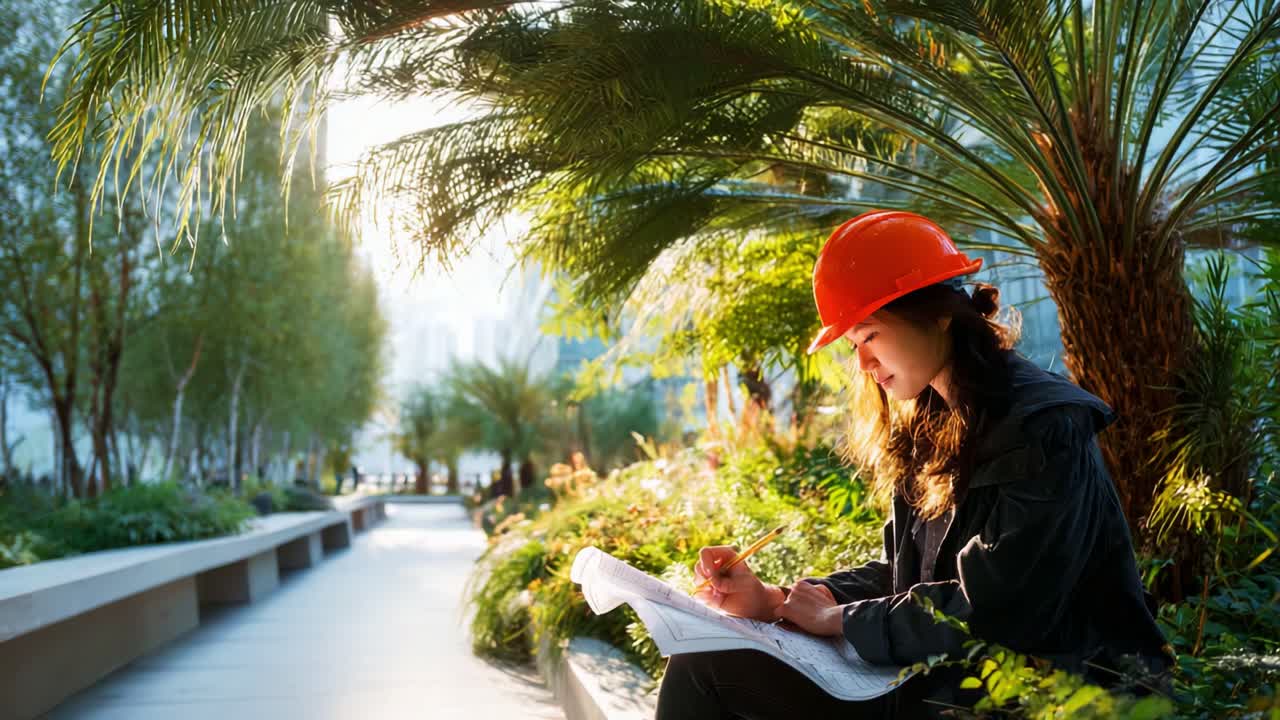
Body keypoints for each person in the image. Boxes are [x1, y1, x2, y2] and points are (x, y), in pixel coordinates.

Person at [655, 211, 1172, 719]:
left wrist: (839, 619)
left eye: (871, 334)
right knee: (703, 663)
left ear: (939, 313)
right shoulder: (930, 419)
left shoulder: (1043, 425)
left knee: (707, 673)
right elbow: (909, 577)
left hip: (1044, 696)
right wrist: (777, 603)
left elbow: (999, 608)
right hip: (944, 683)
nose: (862, 362)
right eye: (854, 343)